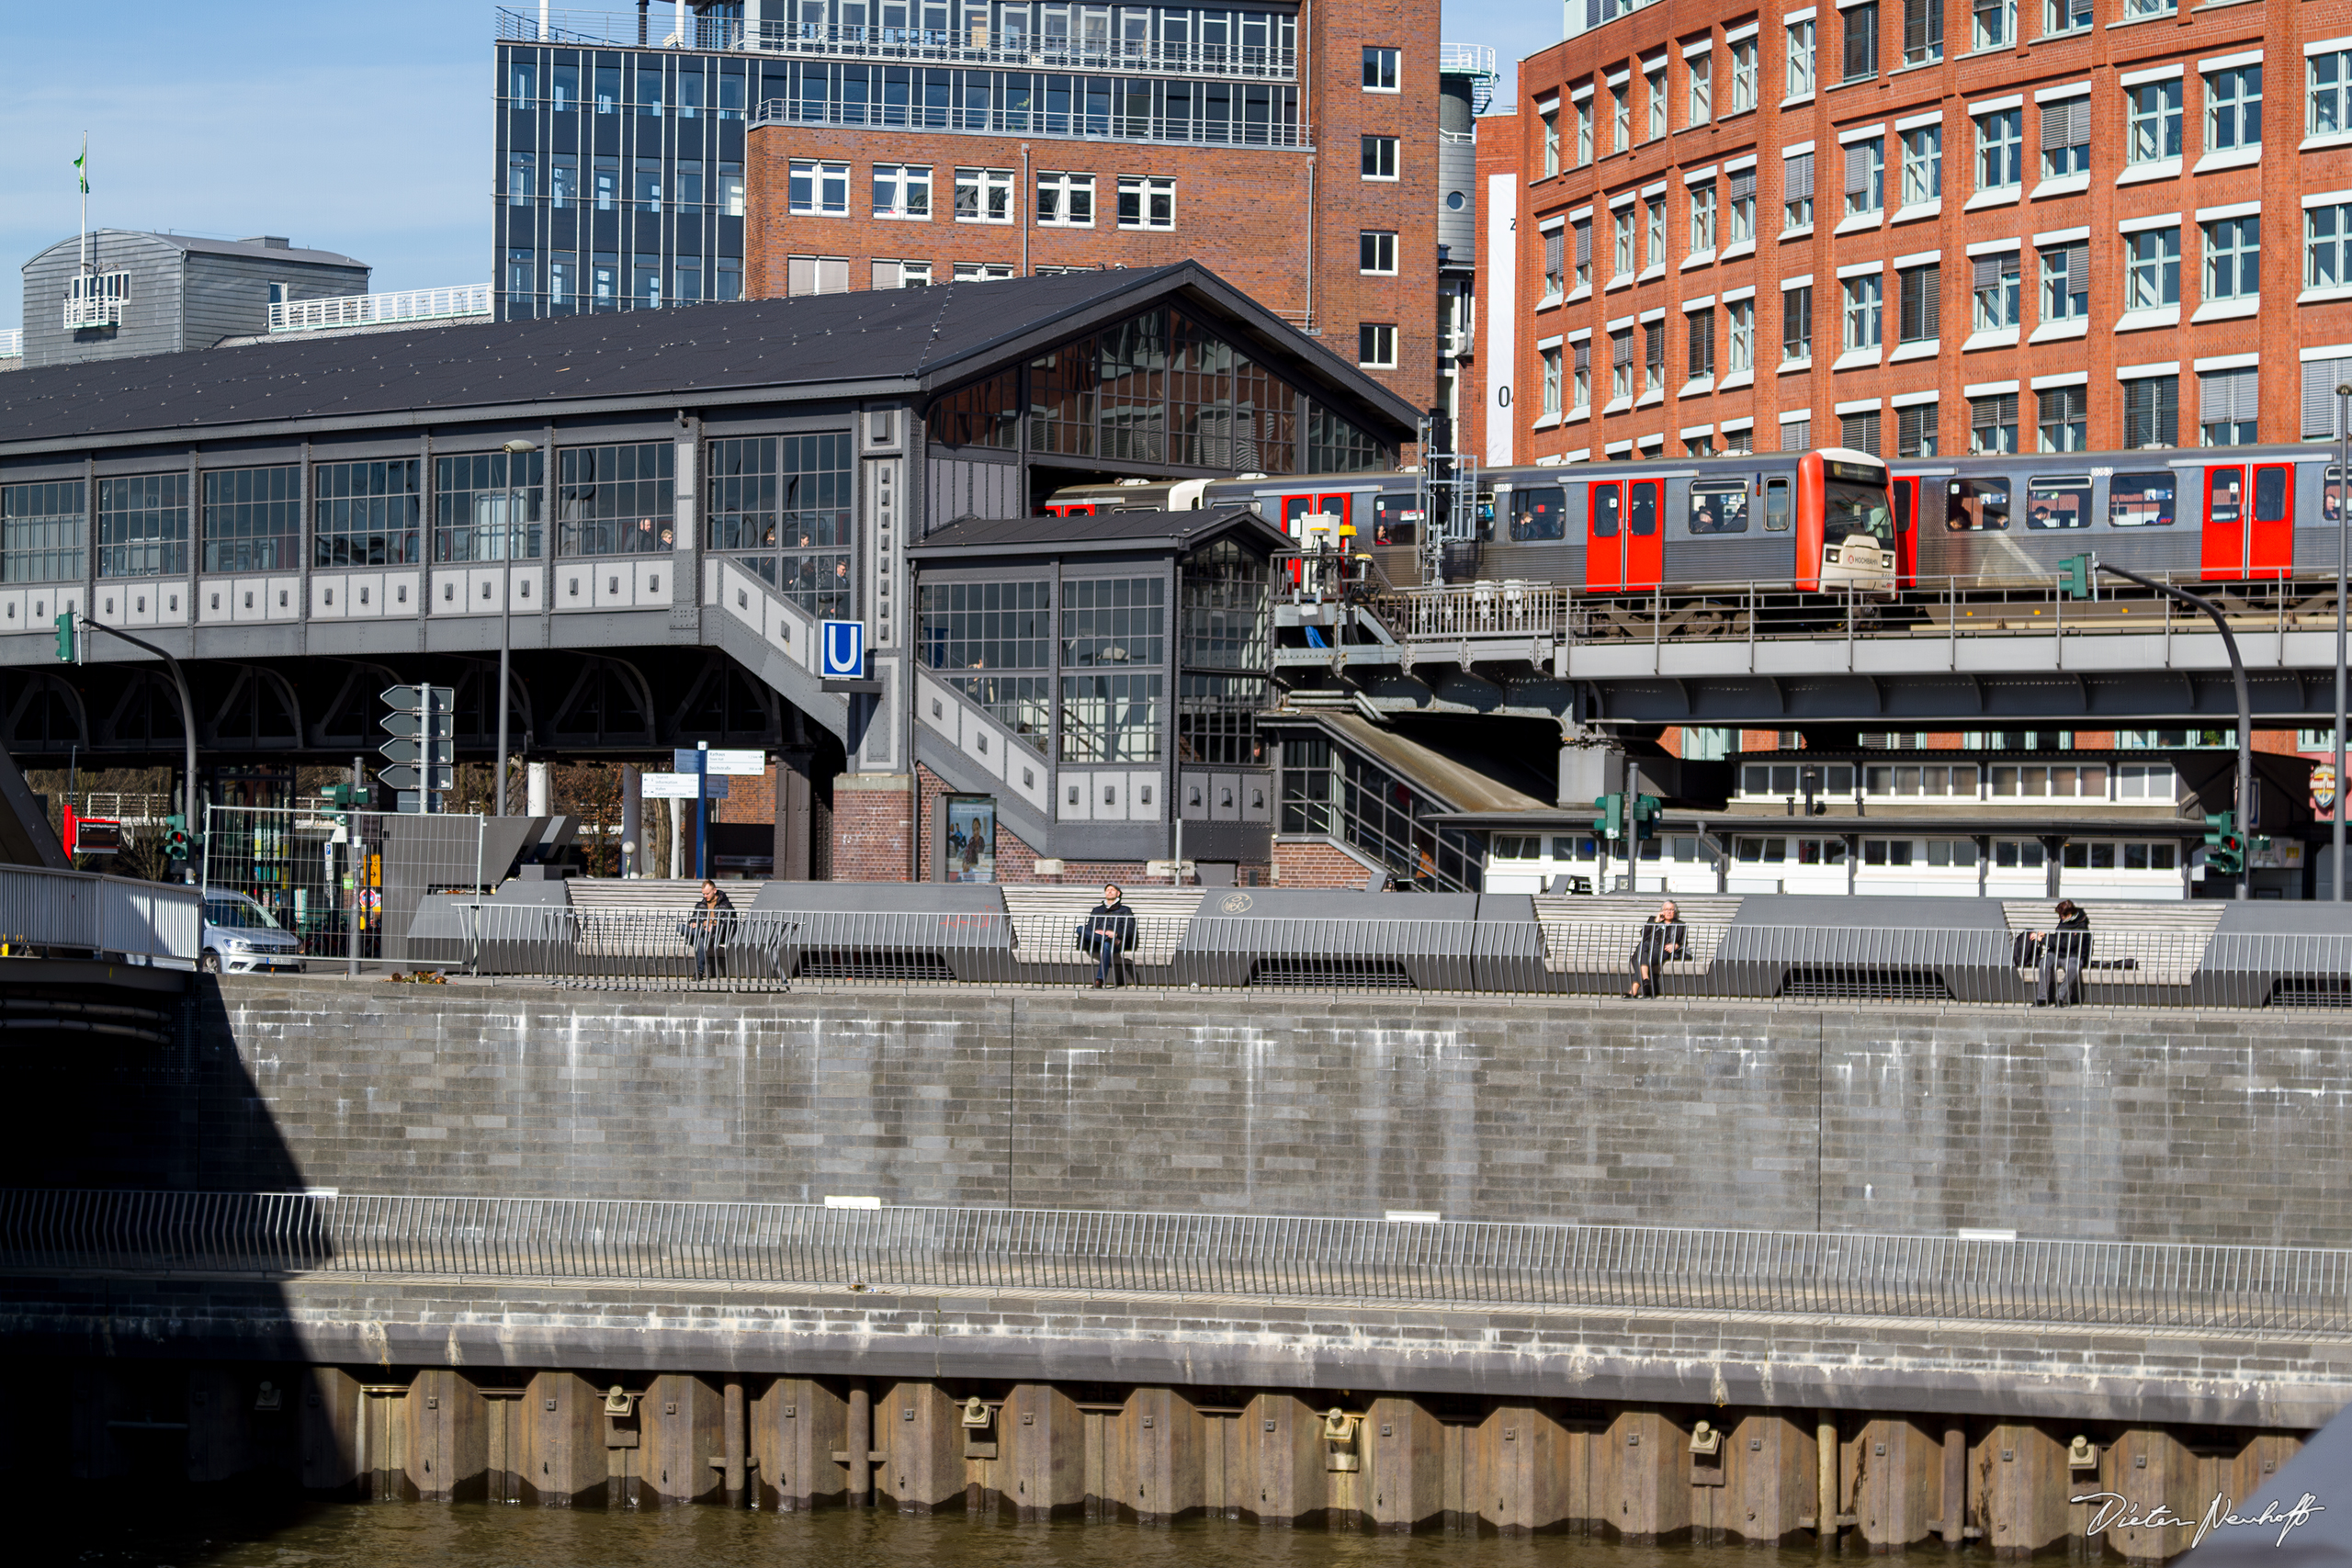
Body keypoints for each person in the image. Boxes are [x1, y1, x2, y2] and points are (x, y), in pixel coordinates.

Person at [2030, 899, 2091, 1006]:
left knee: (2073, 968)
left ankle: (2060, 996)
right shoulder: (2064, 921)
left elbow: (2065, 944)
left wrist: (2042, 940)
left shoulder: (2080, 926)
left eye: (2062, 915)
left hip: (2073, 955)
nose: (2060, 917)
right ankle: (2042, 998)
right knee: (2044, 964)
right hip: (2057, 953)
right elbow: (2059, 938)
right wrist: (2045, 935)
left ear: (2069, 914)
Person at [1080, 884, 1137, 988]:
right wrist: (1097, 932)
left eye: (1112, 890)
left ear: (1118, 893)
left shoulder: (1125, 910)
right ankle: (1107, 939)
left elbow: (1130, 929)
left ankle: (1099, 980)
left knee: (1106, 945)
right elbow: (1090, 927)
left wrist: (1116, 934)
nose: (1109, 891)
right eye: (1107, 890)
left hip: (1114, 944)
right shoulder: (1097, 910)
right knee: (1080, 929)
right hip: (1095, 941)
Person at [1627, 899, 1686, 998]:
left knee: (1636, 957)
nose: (1669, 912)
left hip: (1662, 950)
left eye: (1671, 910)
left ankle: (1636, 988)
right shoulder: (1653, 920)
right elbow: (1644, 934)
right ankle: (1645, 981)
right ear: (1662, 911)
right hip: (1648, 948)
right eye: (1666, 909)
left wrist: (1676, 945)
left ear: (1675, 912)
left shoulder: (1679, 925)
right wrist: (1655, 922)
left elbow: (1682, 942)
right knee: (1643, 946)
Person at [685, 878, 735, 980]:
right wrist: (693, 923)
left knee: (700, 939)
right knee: (681, 928)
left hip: (715, 934)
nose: (705, 896)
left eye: (707, 893)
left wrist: (714, 927)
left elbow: (727, 923)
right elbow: (694, 918)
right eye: (703, 894)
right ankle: (695, 932)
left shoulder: (725, 905)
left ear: (714, 890)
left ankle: (699, 972)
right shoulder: (700, 905)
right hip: (703, 932)